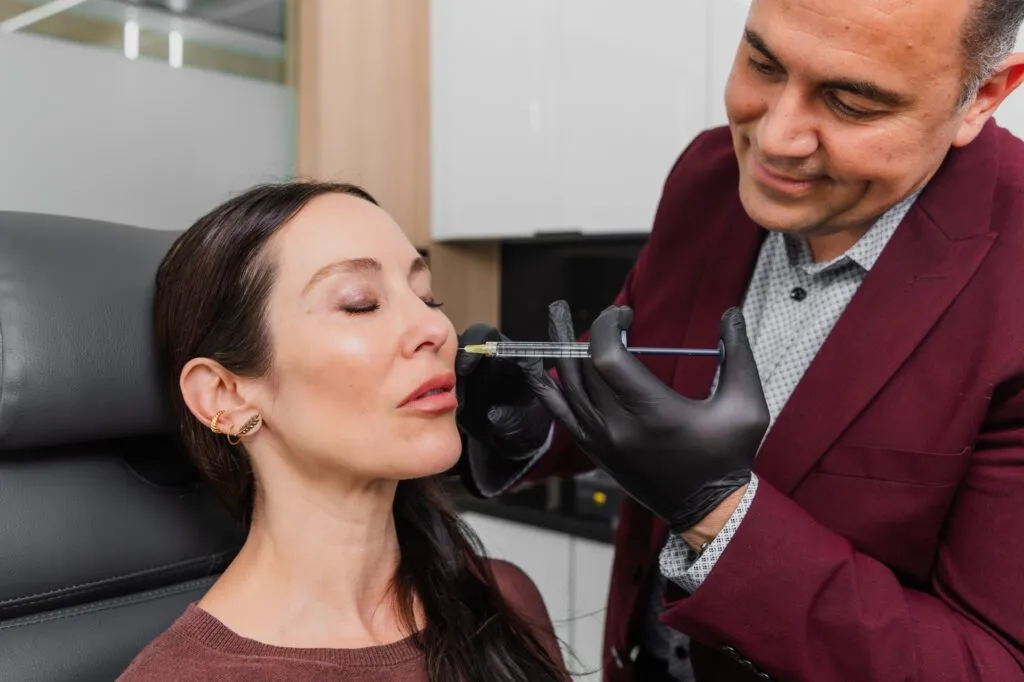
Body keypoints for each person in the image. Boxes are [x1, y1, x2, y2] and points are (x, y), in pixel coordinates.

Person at [455, 0, 1024, 680]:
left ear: (982, 96)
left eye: (851, 104)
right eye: (762, 63)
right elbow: (647, 385)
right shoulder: (708, 177)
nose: (775, 139)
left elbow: (989, 665)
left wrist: (719, 512)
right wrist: (533, 420)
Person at [118, 181, 568, 682]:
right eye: (360, 304)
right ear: (225, 396)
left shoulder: (500, 602)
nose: (437, 330)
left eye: (427, 297)